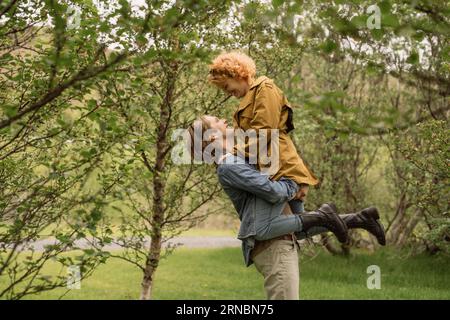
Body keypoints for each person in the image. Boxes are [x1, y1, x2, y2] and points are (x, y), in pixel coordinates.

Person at [187, 115, 385, 300]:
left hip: (282, 239)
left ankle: (360, 219)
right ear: (212, 136)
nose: (223, 119)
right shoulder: (228, 165)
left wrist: (297, 178)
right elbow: (273, 191)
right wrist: (293, 184)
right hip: (272, 246)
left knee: (306, 225)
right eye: (216, 120)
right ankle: (326, 216)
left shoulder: (240, 157)